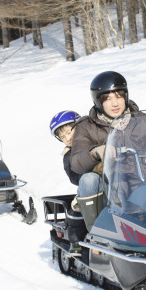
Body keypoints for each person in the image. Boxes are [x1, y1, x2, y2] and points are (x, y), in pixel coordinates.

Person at [70, 71, 146, 230]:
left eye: (119, 96)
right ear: (98, 101)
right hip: (107, 193)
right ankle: (97, 234)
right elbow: (76, 163)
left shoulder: (143, 120)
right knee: (88, 179)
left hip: (139, 187)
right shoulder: (86, 126)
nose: (115, 103)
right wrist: (95, 152)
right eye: (107, 98)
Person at [49, 110, 87, 257]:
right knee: (76, 207)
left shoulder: (94, 140)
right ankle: (75, 241)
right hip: (88, 187)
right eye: (62, 137)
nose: (67, 138)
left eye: (68, 132)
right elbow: (73, 177)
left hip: (113, 182)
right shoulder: (68, 155)